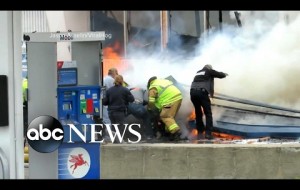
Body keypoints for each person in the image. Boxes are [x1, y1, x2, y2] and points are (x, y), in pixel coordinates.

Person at [190, 64, 228, 140]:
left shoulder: (198, 72)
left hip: (192, 93)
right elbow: (219, 75)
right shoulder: (209, 71)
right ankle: (208, 134)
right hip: (202, 93)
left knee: (198, 113)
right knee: (208, 113)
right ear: (209, 68)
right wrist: (224, 74)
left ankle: (200, 132)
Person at [147, 76, 184, 141]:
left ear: (150, 83)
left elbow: (151, 102)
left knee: (165, 116)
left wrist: (151, 108)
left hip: (169, 100)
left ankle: (176, 132)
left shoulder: (153, 87)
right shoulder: (162, 81)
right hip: (178, 97)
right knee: (170, 117)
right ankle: (170, 134)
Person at [103, 75, 134, 142]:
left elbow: (105, 102)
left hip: (111, 112)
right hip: (120, 112)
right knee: (120, 127)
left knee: (114, 127)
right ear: (122, 81)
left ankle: (115, 142)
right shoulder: (125, 90)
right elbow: (132, 99)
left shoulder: (109, 90)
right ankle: (120, 142)